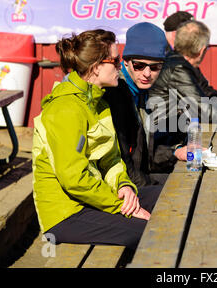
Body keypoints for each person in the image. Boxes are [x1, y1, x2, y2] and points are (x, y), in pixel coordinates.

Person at [32, 29, 162, 250]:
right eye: (116, 60)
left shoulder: (98, 101)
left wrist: (124, 186)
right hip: (67, 213)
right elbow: (73, 179)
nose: (121, 66)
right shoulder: (65, 108)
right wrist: (117, 204)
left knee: (168, 197)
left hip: (97, 198)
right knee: (155, 231)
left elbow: (111, 158)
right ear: (95, 66)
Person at [103, 22, 185, 181]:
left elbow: (147, 151)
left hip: (141, 175)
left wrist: (176, 151)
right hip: (121, 185)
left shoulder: (145, 89)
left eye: (155, 67)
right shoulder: (113, 92)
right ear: (125, 61)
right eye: (139, 65)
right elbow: (123, 161)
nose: (147, 73)